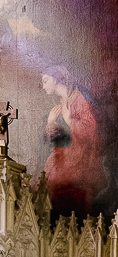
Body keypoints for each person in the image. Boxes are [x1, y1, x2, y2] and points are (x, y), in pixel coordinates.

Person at [42, 66, 106, 219]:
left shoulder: (78, 99)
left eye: (45, 81)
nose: (43, 86)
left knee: (74, 200)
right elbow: (58, 135)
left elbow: (90, 128)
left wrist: (67, 119)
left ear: (56, 80)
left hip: (79, 159)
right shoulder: (62, 102)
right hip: (64, 157)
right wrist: (51, 124)